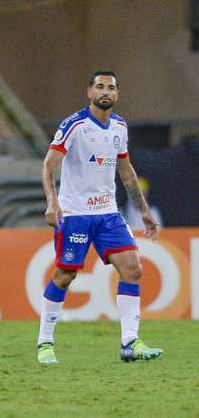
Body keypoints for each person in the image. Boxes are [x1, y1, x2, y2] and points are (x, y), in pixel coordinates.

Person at [38, 70, 163, 365]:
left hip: (108, 213)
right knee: (65, 275)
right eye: (100, 87)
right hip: (76, 214)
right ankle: (45, 342)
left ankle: (130, 343)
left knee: (132, 268)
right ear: (89, 93)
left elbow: (126, 171)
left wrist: (143, 209)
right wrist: (52, 203)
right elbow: (48, 166)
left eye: (111, 87)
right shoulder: (74, 125)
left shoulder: (119, 127)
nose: (105, 91)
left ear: (117, 95)